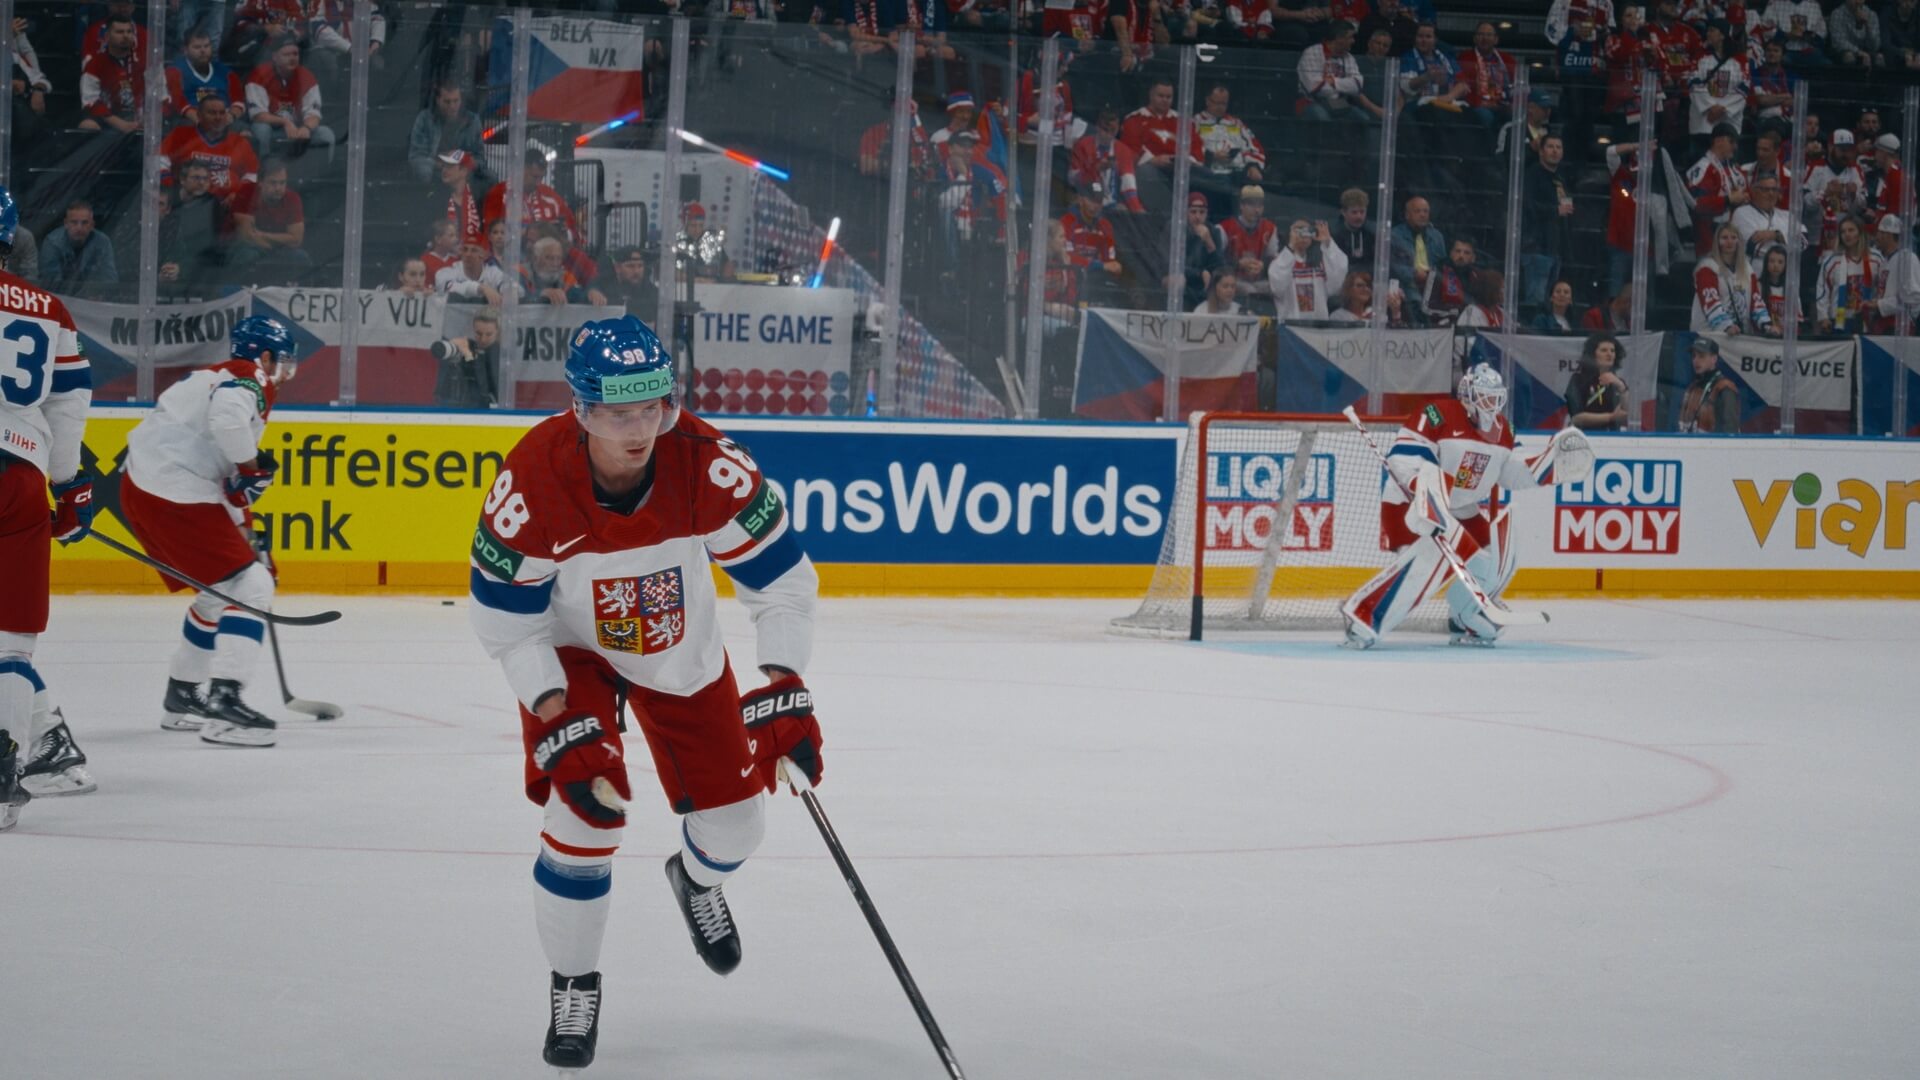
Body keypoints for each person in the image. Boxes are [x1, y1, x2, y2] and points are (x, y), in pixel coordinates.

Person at [466, 315, 823, 1070]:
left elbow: (784, 584)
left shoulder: (710, 464)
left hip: (673, 644)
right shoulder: (530, 483)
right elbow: (507, 624)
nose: (639, 431)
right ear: (580, 409)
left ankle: (693, 880)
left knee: (738, 827)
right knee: (583, 815)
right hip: (570, 651)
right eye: (619, 413)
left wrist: (785, 680)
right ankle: (573, 982)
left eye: (653, 408)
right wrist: (555, 714)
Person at [118, 317, 299, 747]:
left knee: (221, 590)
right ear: (265, 356)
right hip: (172, 489)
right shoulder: (249, 375)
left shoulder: (212, 376)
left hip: (147, 485)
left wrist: (247, 535)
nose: (286, 370)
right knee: (251, 586)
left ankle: (182, 696)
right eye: (283, 360)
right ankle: (225, 705)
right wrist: (250, 467)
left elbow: (226, 483)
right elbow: (229, 421)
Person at [1341, 363, 1593, 649]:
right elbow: (1404, 459)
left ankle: (1465, 615)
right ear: (1468, 394)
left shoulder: (1504, 429)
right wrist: (1425, 492)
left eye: (1496, 397)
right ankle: (1364, 618)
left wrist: (1547, 468)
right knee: (1429, 562)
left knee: (1497, 557)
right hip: (1410, 505)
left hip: (1461, 510)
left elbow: (1511, 473)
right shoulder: (1436, 413)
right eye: (1485, 396)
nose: (1492, 404)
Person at [0, 183, 98, 828]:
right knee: (12, 643)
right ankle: (5, 777)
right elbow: (68, 403)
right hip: (20, 475)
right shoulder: (49, 309)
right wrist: (66, 484)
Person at [245, 35, 336, 162]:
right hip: (273, 130)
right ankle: (262, 170)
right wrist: (285, 122)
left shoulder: (307, 77)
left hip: (297, 129)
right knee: (261, 129)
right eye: (287, 55)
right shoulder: (259, 75)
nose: (292, 58)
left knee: (326, 134)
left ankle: (322, 172)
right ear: (275, 57)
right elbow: (258, 116)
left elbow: (314, 115)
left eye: (295, 54)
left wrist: (306, 128)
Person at [227, 159, 309, 284]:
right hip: (249, 248)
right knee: (246, 255)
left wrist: (262, 235)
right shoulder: (247, 192)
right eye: (273, 183)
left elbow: (296, 239)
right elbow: (246, 236)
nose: (278, 188)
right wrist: (282, 240)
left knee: (301, 257)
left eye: (282, 183)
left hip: (278, 249)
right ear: (260, 182)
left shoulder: (293, 198)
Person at [408, 83, 492, 185]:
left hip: (463, 170)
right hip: (435, 170)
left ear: (461, 100)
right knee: (423, 170)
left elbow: (480, 159)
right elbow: (416, 156)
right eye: (447, 102)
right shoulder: (425, 119)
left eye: (456, 101)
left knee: (491, 177)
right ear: (438, 100)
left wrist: (464, 162)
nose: (452, 106)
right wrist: (444, 165)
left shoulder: (472, 121)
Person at [1268, 218, 1348, 321]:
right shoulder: (1280, 262)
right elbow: (1277, 287)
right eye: (1298, 230)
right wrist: (1291, 246)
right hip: (1291, 326)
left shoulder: (1322, 262)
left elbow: (1337, 283)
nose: (1303, 234)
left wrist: (1328, 242)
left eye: (1307, 230)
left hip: (1318, 325)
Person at [1816, 214, 1884, 334]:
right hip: (1838, 321)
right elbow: (1823, 290)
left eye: (1851, 230)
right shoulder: (1832, 260)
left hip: (1869, 321)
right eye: (1843, 231)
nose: (1846, 234)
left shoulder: (1876, 258)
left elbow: (1883, 288)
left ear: (1860, 233)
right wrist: (1823, 317)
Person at [78, 14, 145, 134]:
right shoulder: (94, 63)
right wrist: (120, 124)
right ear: (107, 36)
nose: (126, 36)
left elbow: (157, 94)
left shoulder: (142, 62)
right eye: (120, 32)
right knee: (88, 125)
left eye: (129, 32)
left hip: (136, 117)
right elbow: (90, 102)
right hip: (106, 120)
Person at [38, 200, 119, 296]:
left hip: (92, 298)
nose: (79, 228)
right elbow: (50, 282)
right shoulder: (53, 243)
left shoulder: (102, 242)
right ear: (66, 223)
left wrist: (96, 293)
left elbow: (109, 279)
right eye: (74, 222)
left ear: (92, 225)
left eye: (85, 223)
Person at [1692, 223, 1755, 333]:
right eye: (1724, 238)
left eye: (1733, 237)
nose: (1729, 242)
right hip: (1709, 333)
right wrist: (1726, 326)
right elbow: (1710, 303)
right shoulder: (1707, 268)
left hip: (1740, 333)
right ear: (1717, 242)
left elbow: (1756, 301)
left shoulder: (1747, 269)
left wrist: (1766, 325)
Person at [433, 308, 500, 408]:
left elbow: (482, 389)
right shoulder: (471, 346)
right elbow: (443, 391)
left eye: (489, 334)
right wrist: (453, 356)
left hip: (487, 411)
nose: (483, 339)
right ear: (473, 329)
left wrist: (468, 356)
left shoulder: (499, 354)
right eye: (478, 333)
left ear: (497, 332)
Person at [1565, 331, 1630, 429]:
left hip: (1613, 436)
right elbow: (1576, 417)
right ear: (1592, 354)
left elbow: (1626, 414)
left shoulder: (1619, 382)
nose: (1609, 354)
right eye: (1604, 350)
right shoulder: (1578, 380)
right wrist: (1610, 417)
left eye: (1612, 351)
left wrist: (1621, 387)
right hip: (1586, 435)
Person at [1677, 336, 1739, 431]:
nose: (1696, 360)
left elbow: (1730, 431)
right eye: (1693, 356)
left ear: (1714, 359)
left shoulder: (1725, 388)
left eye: (1701, 356)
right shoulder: (1692, 387)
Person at [437, 234, 510, 306]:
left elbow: (511, 286)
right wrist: (482, 288)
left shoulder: (493, 273)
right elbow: (452, 287)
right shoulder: (446, 272)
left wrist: (507, 291)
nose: (468, 254)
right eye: (465, 249)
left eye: (474, 250)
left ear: (485, 255)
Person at [600, 245, 659, 317]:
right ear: (617, 268)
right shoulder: (603, 289)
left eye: (640, 266)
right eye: (630, 266)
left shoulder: (652, 291)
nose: (636, 271)